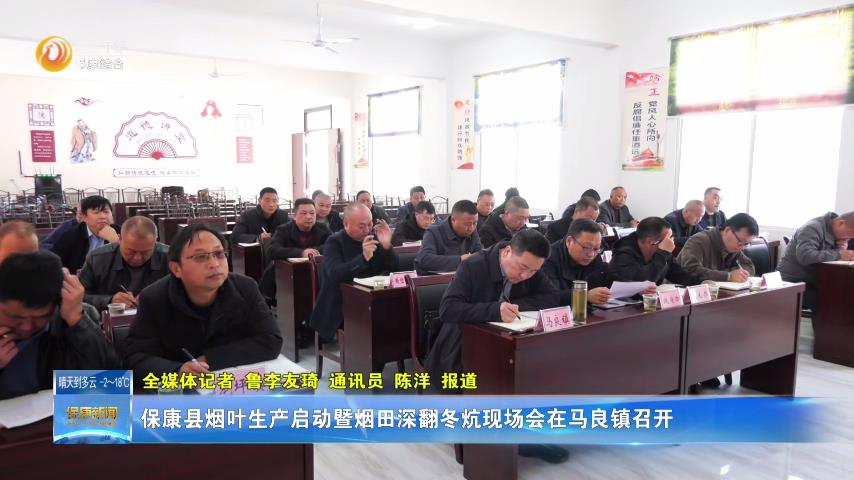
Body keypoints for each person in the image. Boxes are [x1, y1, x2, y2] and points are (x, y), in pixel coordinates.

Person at [424, 229, 568, 464]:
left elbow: (552, 297)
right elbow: (448, 309)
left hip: (506, 341)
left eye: (533, 271)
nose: (525, 275)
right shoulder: (474, 266)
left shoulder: (530, 266)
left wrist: (512, 304)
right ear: (508, 251)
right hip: (462, 346)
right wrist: (494, 309)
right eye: (522, 268)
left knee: (543, 367)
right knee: (502, 377)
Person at [124, 224, 282, 380]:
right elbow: (136, 357)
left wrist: (210, 358)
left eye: (219, 254)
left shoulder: (245, 288)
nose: (214, 264)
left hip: (231, 385)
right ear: (176, 268)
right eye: (200, 257)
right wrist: (177, 371)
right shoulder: (154, 298)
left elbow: (271, 340)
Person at [0, 252, 120, 400]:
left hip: (51, 412)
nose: (26, 326)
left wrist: (77, 321)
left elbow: (110, 383)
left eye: (40, 317)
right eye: (15, 317)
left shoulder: (69, 321)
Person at [309, 203, 399, 342]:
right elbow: (335, 274)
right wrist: (363, 258)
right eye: (361, 226)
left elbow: (395, 268)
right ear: (346, 224)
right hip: (342, 304)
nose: (367, 230)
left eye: (370, 224)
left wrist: (387, 246)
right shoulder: (334, 242)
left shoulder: (375, 238)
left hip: (373, 298)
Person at [78, 216, 170, 312]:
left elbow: (180, 295)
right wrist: (109, 300)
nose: (137, 258)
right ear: (120, 239)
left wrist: (156, 298)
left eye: (145, 252)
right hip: (108, 319)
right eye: (131, 251)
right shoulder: (98, 259)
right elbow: (80, 297)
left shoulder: (170, 259)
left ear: (155, 241)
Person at [778, 211, 854, 311]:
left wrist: (840, 248)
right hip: (793, 282)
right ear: (841, 223)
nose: (848, 239)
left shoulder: (836, 232)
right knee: (833, 302)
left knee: (846, 294)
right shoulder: (812, 228)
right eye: (849, 235)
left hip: (816, 280)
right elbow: (805, 256)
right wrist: (839, 254)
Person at [259, 198, 331, 300]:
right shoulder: (283, 230)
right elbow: (272, 250)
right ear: (294, 216)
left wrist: (313, 251)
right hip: (286, 276)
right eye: (304, 213)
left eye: (312, 213)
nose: (309, 217)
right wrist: (301, 253)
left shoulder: (323, 228)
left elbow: (333, 246)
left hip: (316, 274)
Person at [609, 217, 703, 287]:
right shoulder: (624, 255)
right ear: (650, 242)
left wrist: (700, 283)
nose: (671, 243)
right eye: (668, 240)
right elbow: (642, 283)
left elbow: (678, 274)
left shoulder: (661, 252)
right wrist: (663, 253)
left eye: (671, 238)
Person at [542, 219, 612, 304]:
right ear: (569, 241)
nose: (591, 254)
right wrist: (584, 296)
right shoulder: (548, 258)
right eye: (586, 247)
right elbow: (550, 296)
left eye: (596, 249)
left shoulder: (594, 255)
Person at [676, 213, 757, 282]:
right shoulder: (699, 241)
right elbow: (691, 270)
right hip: (681, 291)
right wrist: (728, 276)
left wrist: (739, 274)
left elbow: (749, 266)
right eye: (741, 242)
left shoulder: (734, 247)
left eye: (746, 244)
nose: (742, 248)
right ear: (727, 230)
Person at [51, 195, 120, 273]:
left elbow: (129, 263)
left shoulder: (121, 232)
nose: (102, 216)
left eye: (106, 211)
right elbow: (53, 262)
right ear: (84, 217)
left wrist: (115, 241)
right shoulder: (71, 236)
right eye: (96, 212)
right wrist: (65, 272)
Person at [415, 200, 482, 275]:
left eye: (475, 223)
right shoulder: (433, 232)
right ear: (453, 219)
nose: (471, 228)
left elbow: (480, 255)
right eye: (466, 224)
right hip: (436, 280)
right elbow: (425, 259)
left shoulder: (472, 231)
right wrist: (460, 260)